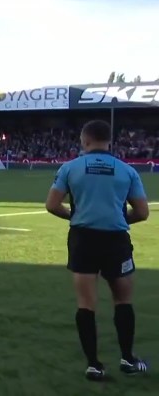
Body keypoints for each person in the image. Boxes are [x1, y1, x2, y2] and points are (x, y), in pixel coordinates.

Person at [45, 120, 150, 381]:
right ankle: (128, 359)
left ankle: (93, 364)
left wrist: (73, 215)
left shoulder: (70, 168)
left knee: (86, 303)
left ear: (84, 140)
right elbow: (142, 212)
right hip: (116, 240)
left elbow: (51, 205)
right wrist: (120, 219)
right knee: (123, 300)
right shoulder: (127, 171)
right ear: (109, 142)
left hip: (83, 239)